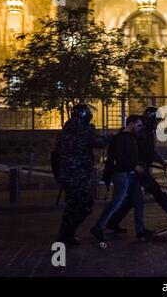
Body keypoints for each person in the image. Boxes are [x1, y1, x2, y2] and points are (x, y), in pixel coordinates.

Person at [106, 107, 167, 233]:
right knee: (156, 192)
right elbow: (139, 151)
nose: (158, 124)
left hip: (139, 168)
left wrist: (160, 160)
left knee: (132, 199)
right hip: (138, 169)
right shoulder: (141, 131)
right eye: (156, 121)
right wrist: (137, 165)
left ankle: (112, 221)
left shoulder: (146, 131)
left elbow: (150, 151)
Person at [91, 115, 150, 243]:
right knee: (116, 203)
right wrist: (135, 166)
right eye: (138, 125)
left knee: (138, 201)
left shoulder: (132, 137)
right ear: (131, 124)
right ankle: (98, 227)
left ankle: (140, 231)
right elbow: (119, 158)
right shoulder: (119, 138)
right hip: (122, 175)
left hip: (131, 174)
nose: (140, 128)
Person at [56, 104, 108, 245]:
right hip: (78, 175)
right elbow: (100, 142)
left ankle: (65, 234)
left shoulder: (64, 132)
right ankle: (67, 233)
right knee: (85, 204)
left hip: (66, 175)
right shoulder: (84, 131)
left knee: (71, 205)